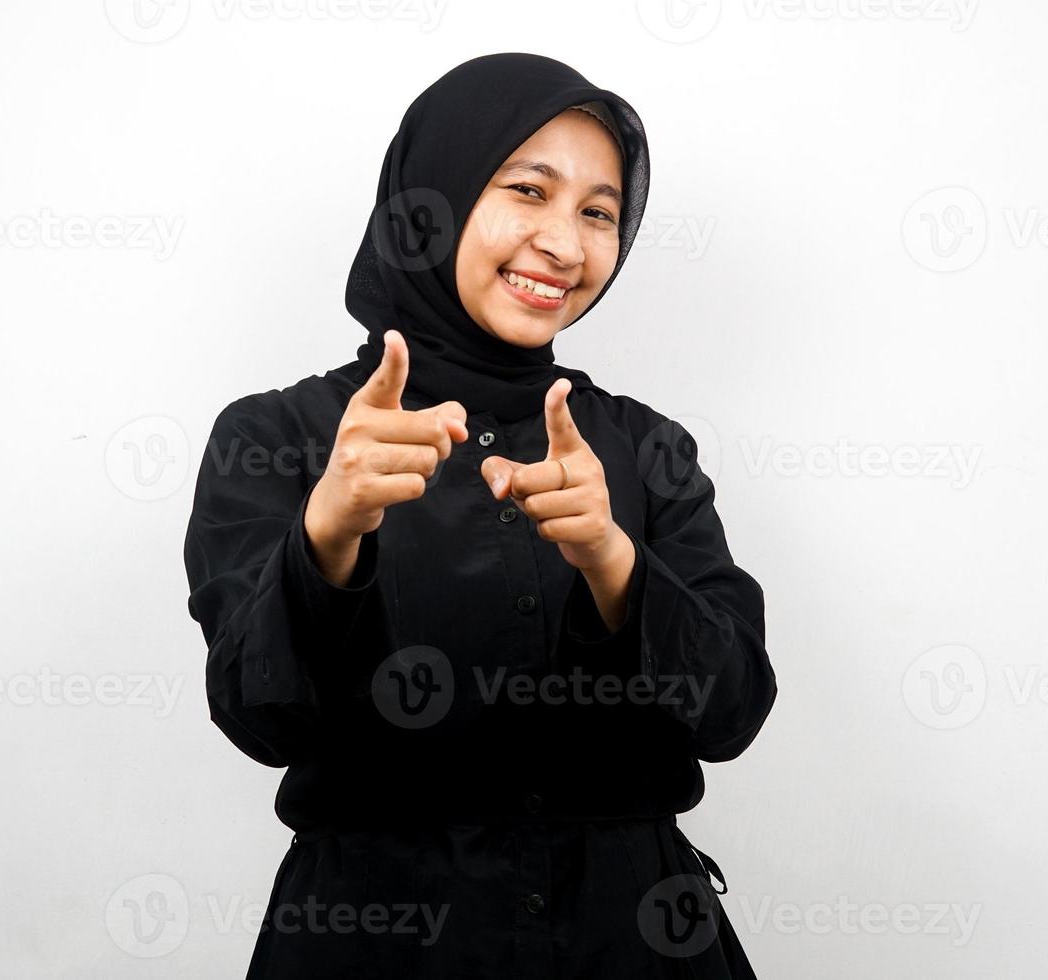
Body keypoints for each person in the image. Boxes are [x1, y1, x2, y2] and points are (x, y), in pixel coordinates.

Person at [183, 51, 777, 979]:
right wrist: (328, 536)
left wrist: (614, 565)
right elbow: (264, 722)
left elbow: (733, 712)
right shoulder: (284, 436)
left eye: (597, 212)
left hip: (634, 940)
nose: (565, 245)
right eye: (528, 191)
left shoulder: (645, 447)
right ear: (434, 199)